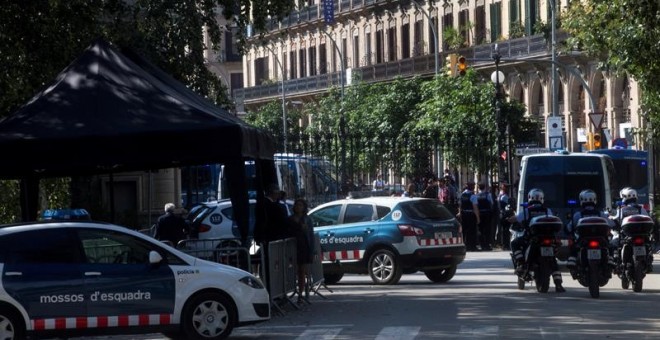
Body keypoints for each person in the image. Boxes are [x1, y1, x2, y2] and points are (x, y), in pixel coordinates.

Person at [507, 188, 565, 292]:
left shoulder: (526, 211)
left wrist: (508, 219)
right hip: (548, 238)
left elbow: (515, 219)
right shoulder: (547, 210)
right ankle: (558, 284)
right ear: (542, 198)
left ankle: (520, 263)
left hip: (532, 238)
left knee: (514, 243)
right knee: (553, 260)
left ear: (530, 198)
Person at [566, 189, 615, 269]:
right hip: (601, 240)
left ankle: (573, 259)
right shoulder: (601, 214)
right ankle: (610, 259)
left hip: (583, 240)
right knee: (610, 246)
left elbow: (569, 228)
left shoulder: (578, 215)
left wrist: (567, 231)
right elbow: (611, 224)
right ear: (594, 200)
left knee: (574, 246)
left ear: (582, 200)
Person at [288, 198, 316, 303]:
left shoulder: (307, 219)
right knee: (293, 270)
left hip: (304, 246)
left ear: (304, 207)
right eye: (296, 205)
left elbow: (311, 235)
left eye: (300, 205)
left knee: (302, 271)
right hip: (293, 247)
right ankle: (292, 291)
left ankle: (301, 293)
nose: (298, 207)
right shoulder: (290, 219)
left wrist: (312, 250)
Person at [457, 182, 479, 251]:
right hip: (470, 215)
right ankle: (472, 246)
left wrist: (460, 213)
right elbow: (475, 207)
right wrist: (478, 218)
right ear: (472, 187)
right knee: (472, 231)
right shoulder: (473, 196)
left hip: (464, 214)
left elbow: (460, 205)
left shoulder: (462, 194)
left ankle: (464, 245)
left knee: (464, 230)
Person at [476, 183, 495, 251]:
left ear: (478, 188)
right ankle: (487, 245)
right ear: (484, 187)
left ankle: (482, 245)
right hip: (487, 214)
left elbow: (476, 205)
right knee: (487, 230)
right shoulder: (488, 194)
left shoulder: (477, 195)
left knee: (481, 230)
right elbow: (492, 204)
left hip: (480, 214)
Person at [497, 182, 511, 250]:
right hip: (505, 214)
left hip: (502, 214)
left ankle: (504, 244)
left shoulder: (500, 195)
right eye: (507, 187)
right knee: (506, 230)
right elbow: (507, 206)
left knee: (504, 230)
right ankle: (505, 244)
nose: (508, 189)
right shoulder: (504, 196)